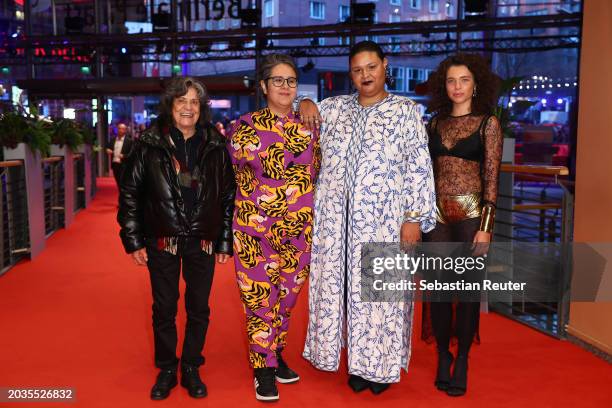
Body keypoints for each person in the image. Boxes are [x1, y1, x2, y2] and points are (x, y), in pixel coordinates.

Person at [298, 41, 436, 394]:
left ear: (385, 66)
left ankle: (380, 368)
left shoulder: (405, 111)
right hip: (336, 225)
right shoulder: (336, 109)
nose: (365, 76)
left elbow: (418, 167)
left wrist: (413, 217)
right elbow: (299, 109)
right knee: (345, 294)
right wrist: (306, 100)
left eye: (371, 67)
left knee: (379, 297)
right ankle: (357, 366)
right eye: (358, 70)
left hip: (384, 222)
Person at [117, 77, 236, 400]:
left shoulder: (215, 144)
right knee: (164, 308)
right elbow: (130, 194)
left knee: (199, 308)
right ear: (170, 106)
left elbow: (227, 196)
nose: (188, 107)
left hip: (203, 239)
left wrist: (225, 240)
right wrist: (133, 239)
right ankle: (168, 367)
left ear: (202, 109)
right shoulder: (149, 143)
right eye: (181, 100)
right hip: (162, 238)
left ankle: (192, 366)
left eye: (194, 102)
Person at [227, 54, 320, 402]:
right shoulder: (243, 128)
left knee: (287, 300)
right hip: (255, 231)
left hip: (299, 231)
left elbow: (319, 173)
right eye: (278, 80)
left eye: (291, 81)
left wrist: (310, 103)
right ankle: (262, 369)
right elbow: (231, 179)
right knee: (260, 300)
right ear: (264, 86)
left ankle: (276, 353)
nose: (285, 87)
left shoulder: (310, 126)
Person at [422, 53, 502, 397]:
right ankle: (443, 355)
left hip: (472, 217)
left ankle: (464, 358)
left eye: (464, 80)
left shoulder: (489, 124)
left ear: (476, 84)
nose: (457, 86)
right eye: (451, 80)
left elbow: (492, 180)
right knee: (438, 293)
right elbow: (423, 174)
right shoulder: (434, 124)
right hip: (436, 218)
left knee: (467, 295)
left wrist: (486, 226)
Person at [105, 122, 133, 187]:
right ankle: (121, 193)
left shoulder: (129, 141)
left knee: (123, 182)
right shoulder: (113, 140)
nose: (120, 130)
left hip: (124, 164)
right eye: (119, 128)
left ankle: (123, 195)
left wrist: (124, 156)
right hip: (115, 164)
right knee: (118, 181)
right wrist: (108, 150)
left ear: (125, 130)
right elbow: (108, 148)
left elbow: (132, 154)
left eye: (123, 129)